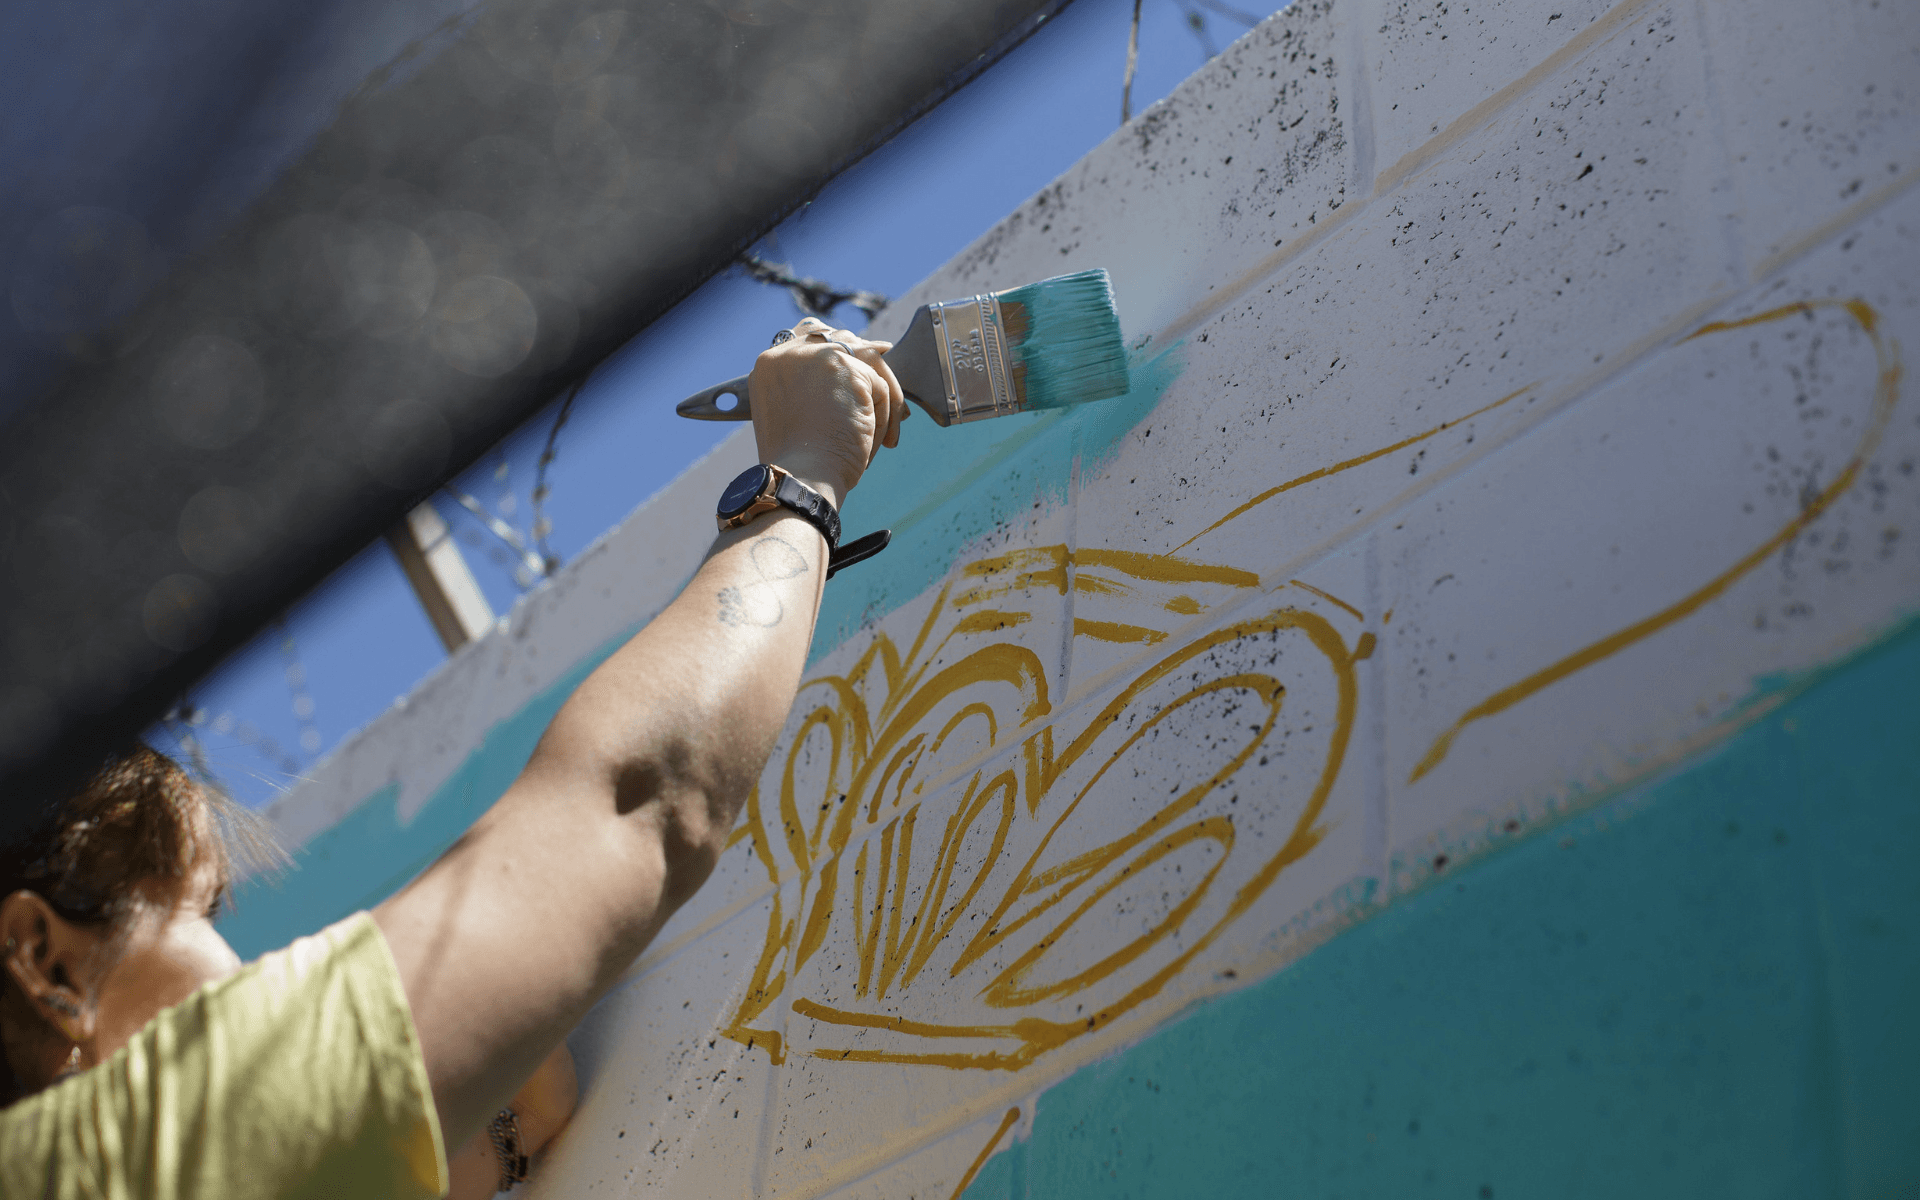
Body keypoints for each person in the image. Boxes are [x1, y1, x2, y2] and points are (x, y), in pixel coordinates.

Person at [0, 316, 909, 1197]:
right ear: (45, 962)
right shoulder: (125, 1161)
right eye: (200, 909)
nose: (243, 964)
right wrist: (800, 477)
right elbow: (637, 802)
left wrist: (490, 1132)